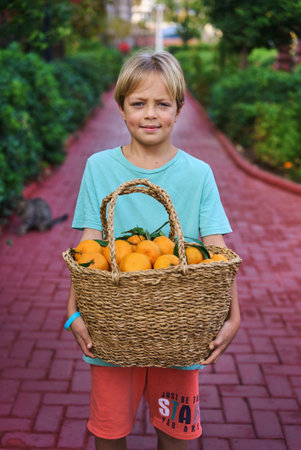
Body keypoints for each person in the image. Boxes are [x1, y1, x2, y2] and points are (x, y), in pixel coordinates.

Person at [65, 50, 240, 450]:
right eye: (138, 103)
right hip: (113, 323)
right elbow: (89, 246)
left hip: (180, 325)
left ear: (179, 109)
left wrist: (234, 313)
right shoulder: (99, 167)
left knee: (176, 435)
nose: (150, 114)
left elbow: (217, 252)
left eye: (162, 104)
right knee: (108, 432)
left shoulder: (198, 174)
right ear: (121, 108)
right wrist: (74, 309)